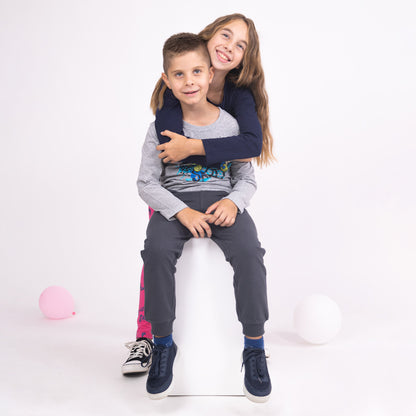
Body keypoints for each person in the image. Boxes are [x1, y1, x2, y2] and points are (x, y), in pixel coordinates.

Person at [122, 13, 275, 380]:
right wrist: (180, 210)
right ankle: (156, 341)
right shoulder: (167, 110)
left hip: (223, 199)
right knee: (155, 251)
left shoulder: (236, 106)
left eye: (241, 45)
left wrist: (232, 200)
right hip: (175, 200)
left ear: (209, 73)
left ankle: (254, 347)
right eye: (226, 35)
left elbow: (247, 164)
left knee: (250, 252)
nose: (230, 47)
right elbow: (150, 179)